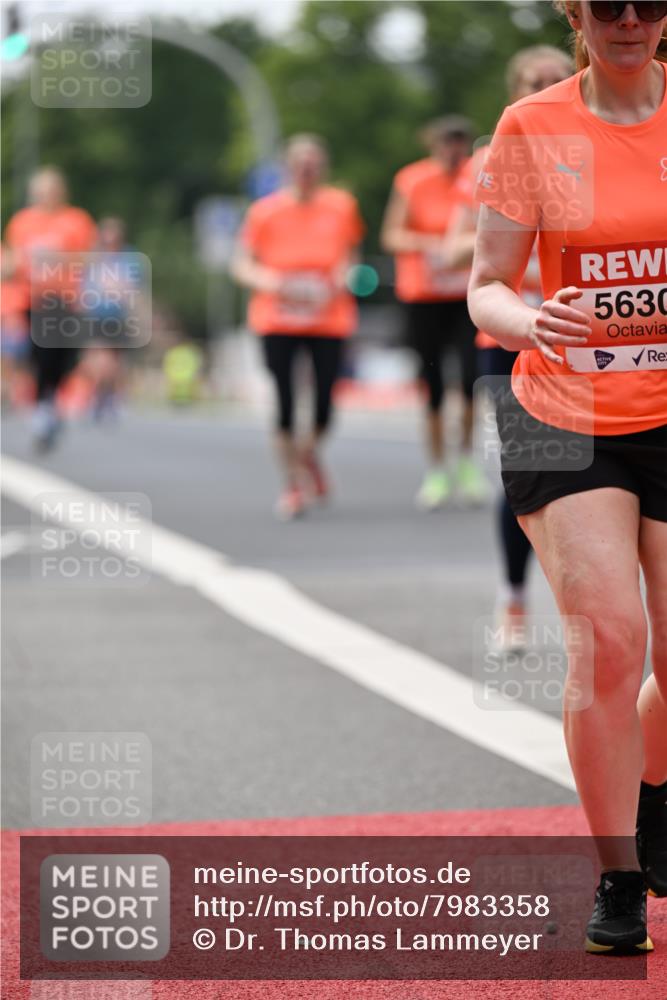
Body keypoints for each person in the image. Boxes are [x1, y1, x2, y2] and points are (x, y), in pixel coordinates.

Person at [468, 0, 667, 955]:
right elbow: (487, 283)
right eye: (607, 4)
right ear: (572, 12)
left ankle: (655, 791)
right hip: (557, 412)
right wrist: (526, 320)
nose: (630, 19)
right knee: (610, 639)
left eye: (652, 2)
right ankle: (619, 876)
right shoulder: (531, 126)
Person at [444, 45, 574, 649]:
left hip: (600, 340)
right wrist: (512, 257)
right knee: (533, 471)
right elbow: (455, 251)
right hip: (514, 339)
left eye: (557, 79)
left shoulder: (602, 146)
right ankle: (515, 601)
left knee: (612, 473)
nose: (547, 87)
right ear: (516, 89)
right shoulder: (493, 157)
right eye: (535, 81)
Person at [232, 134, 365, 520]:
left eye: (314, 164)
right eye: (299, 164)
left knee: (325, 405)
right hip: (277, 317)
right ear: (287, 169)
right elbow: (241, 264)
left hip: (328, 317)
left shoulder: (341, 207)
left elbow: (351, 254)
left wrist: (342, 276)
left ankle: (306, 456)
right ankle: (292, 484)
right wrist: (271, 282)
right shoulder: (264, 212)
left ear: (323, 168)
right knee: (285, 400)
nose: (306, 170)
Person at [381, 116, 488, 510]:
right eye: (446, 143)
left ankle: (466, 463)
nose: (453, 151)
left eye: (460, 144)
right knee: (433, 388)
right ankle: (437, 470)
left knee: (471, 382)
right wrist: (431, 244)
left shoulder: (477, 176)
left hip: (464, 296)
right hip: (423, 296)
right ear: (433, 145)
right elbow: (391, 234)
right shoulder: (412, 180)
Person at [4, 167, 97, 450]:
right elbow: (14, 258)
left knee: (64, 358)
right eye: (41, 190)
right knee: (40, 353)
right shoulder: (22, 222)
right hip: (33, 298)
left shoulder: (76, 221)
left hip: (66, 298)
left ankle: (51, 400)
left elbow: (87, 258)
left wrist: (57, 261)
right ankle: (42, 405)